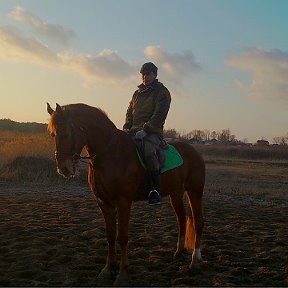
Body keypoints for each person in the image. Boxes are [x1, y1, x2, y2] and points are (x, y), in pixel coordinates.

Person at [123, 62, 171, 205]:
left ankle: (155, 189)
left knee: (149, 152)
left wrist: (146, 130)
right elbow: (129, 112)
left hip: (152, 133)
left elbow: (160, 114)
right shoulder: (137, 93)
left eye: (148, 74)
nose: (145, 77)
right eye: (143, 74)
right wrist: (126, 127)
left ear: (155, 75)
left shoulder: (162, 92)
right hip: (133, 132)